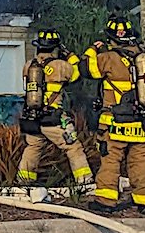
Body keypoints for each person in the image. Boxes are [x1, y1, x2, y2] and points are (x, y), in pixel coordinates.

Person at [80, 16, 145, 215]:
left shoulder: (108, 58)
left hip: (114, 122)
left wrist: (92, 49)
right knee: (141, 162)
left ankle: (106, 201)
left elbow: (85, 69)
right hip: (143, 122)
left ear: (111, 39)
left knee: (111, 160)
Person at [17, 29, 93, 186]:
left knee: (33, 148)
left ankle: (24, 181)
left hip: (32, 117)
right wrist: (69, 55)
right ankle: (84, 182)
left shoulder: (29, 66)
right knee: (73, 147)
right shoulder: (61, 66)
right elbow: (78, 74)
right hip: (53, 119)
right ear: (55, 48)